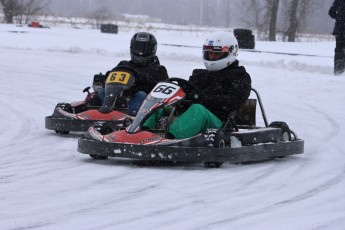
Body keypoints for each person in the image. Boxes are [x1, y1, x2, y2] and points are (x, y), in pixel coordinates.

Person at [145, 31, 251, 139]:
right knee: (164, 103)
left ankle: (169, 139)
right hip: (191, 118)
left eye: (216, 54)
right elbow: (189, 93)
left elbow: (233, 102)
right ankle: (142, 131)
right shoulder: (200, 75)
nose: (212, 57)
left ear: (230, 52)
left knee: (198, 109)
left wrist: (202, 99)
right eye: (210, 53)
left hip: (218, 123)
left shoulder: (239, 77)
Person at [92, 32, 169, 116]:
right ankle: (93, 110)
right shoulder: (123, 65)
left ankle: (129, 115)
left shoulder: (159, 69)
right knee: (103, 91)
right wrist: (107, 76)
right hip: (119, 96)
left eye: (144, 49)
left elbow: (162, 91)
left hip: (143, 104)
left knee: (140, 95)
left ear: (152, 49)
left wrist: (145, 79)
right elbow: (111, 81)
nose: (140, 52)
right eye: (138, 48)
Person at [329, 0, 345, 76]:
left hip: (339, 29)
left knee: (339, 50)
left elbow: (331, 12)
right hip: (340, 29)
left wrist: (339, 17)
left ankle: (338, 70)